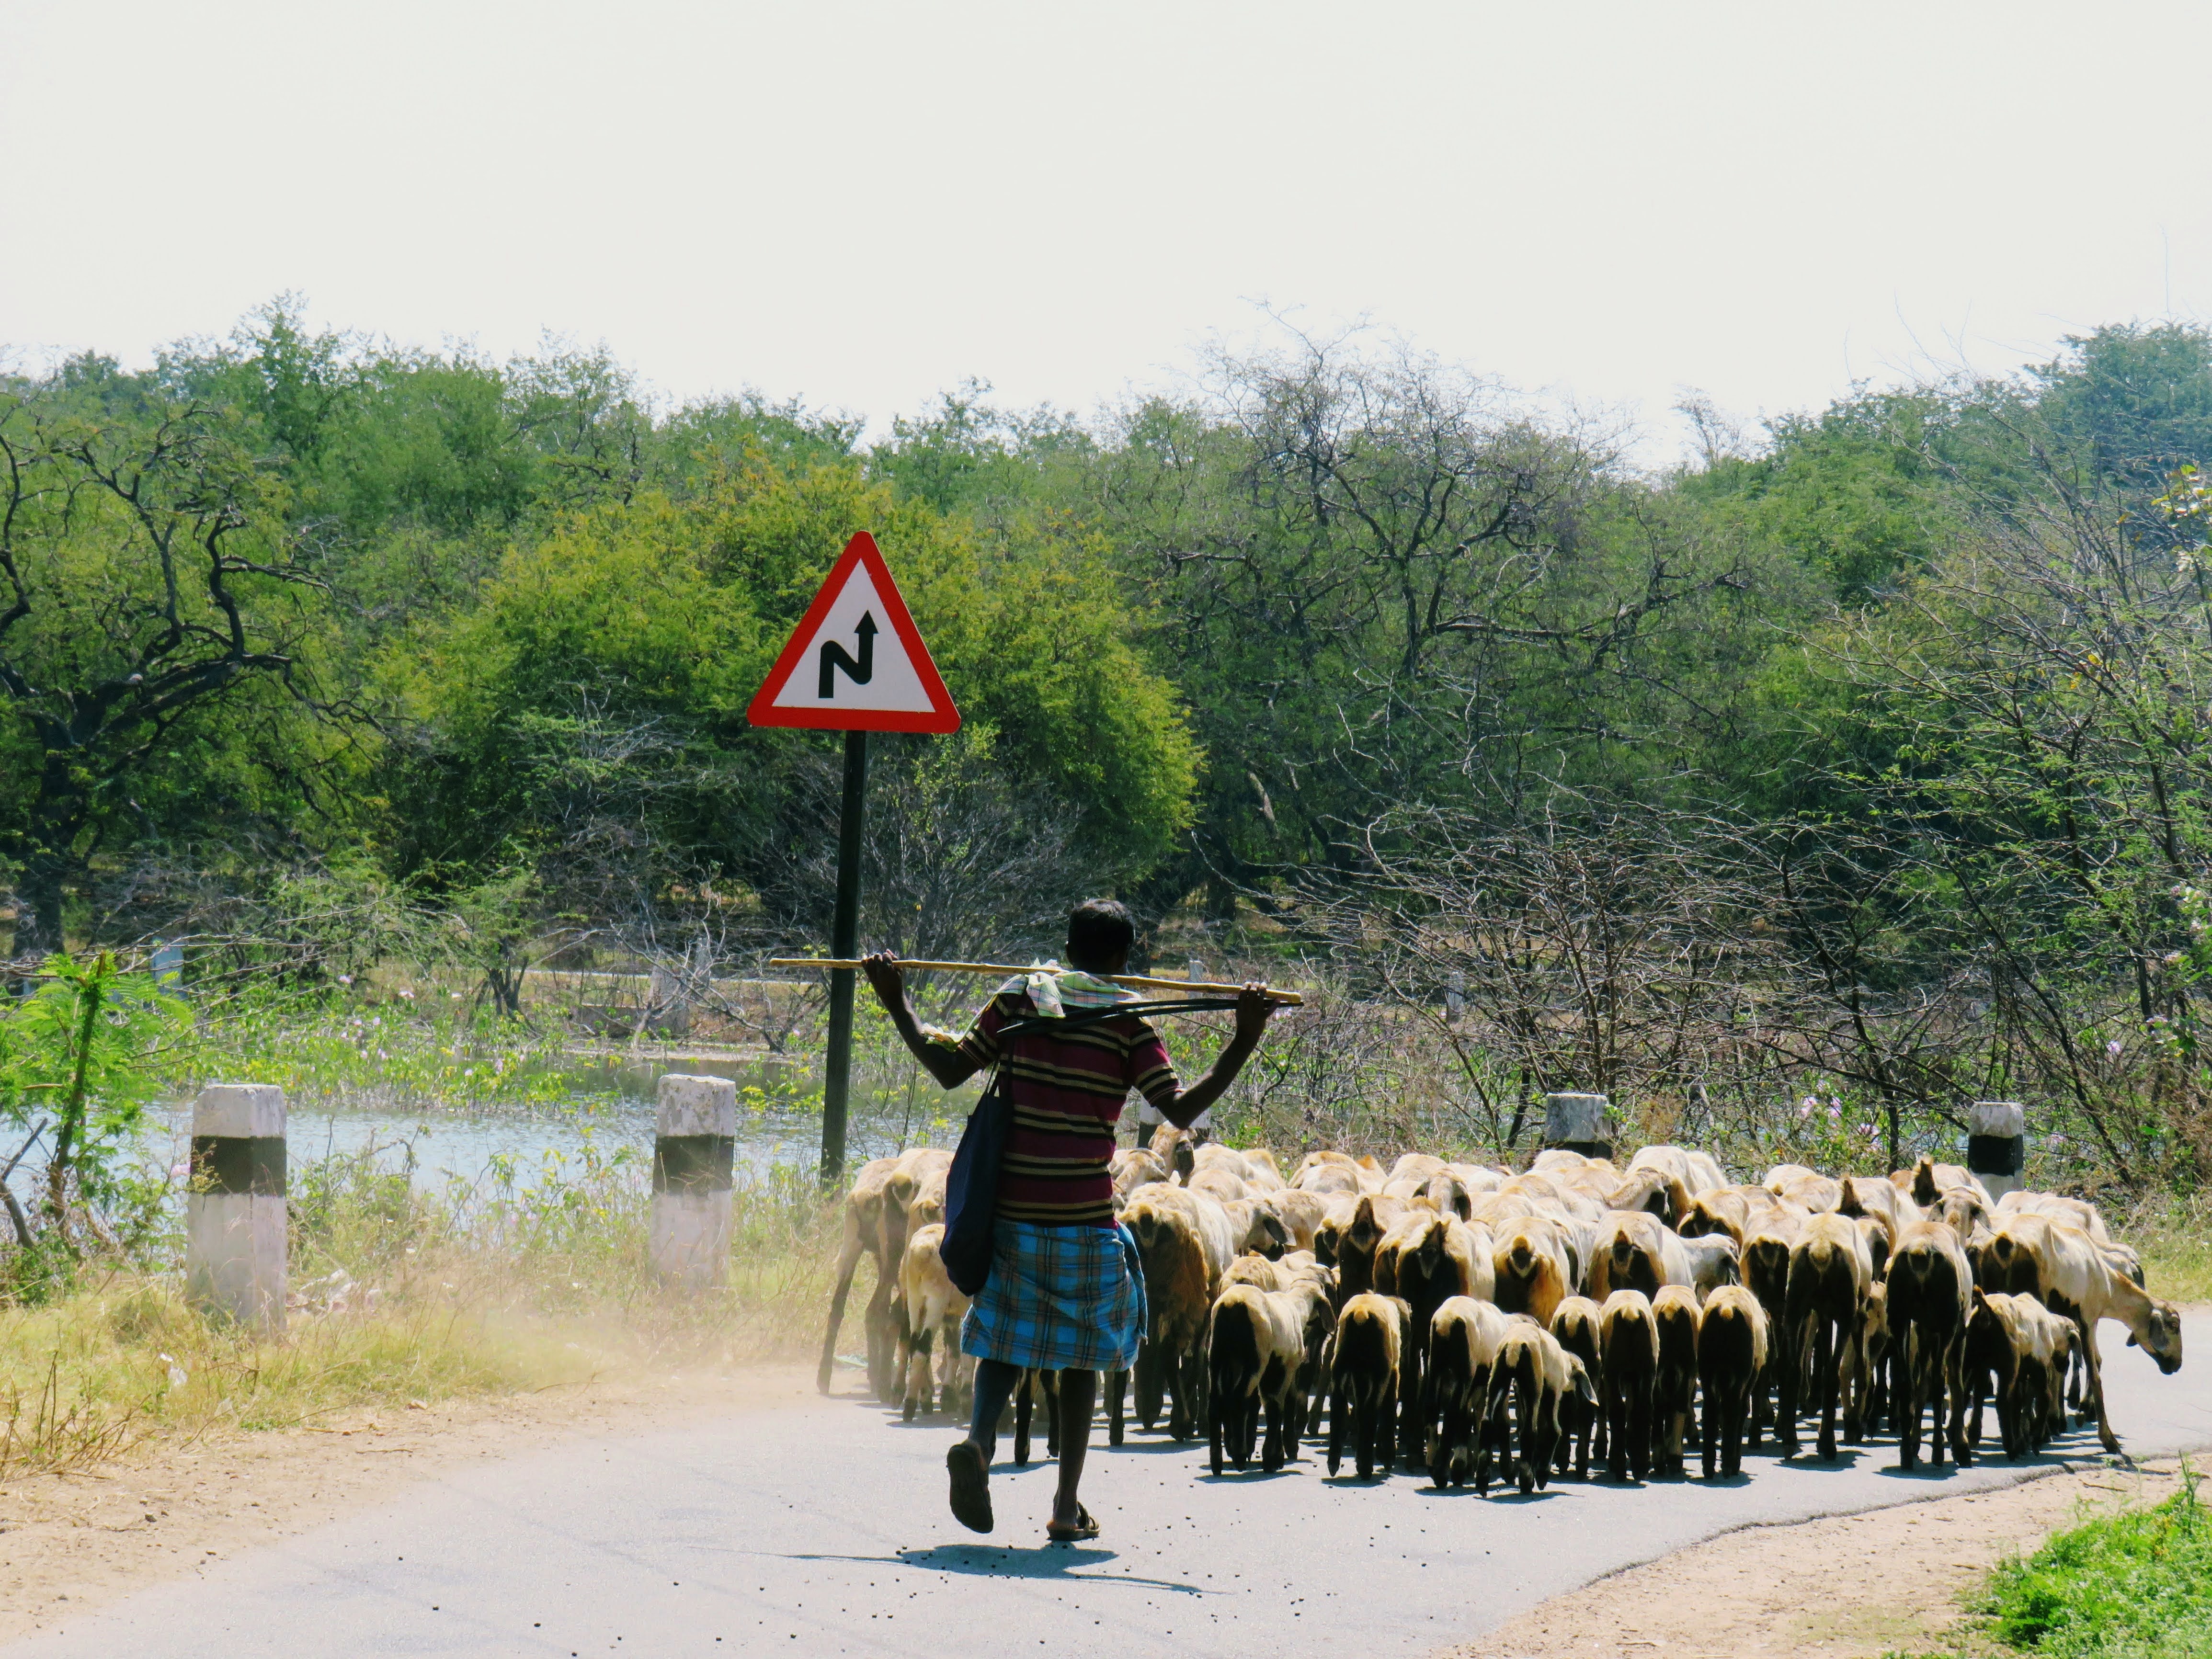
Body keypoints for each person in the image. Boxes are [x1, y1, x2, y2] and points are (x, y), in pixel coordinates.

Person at [861, 898, 1272, 1541]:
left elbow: (947, 1070)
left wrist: (895, 999)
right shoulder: (1127, 1021)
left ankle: (977, 1442)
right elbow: (1179, 1107)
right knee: (1080, 1359)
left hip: (1012, 1211)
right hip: (1083, 1213)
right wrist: (1246, 1035)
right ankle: (1062, 1506)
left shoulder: (1019, 999)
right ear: (1120, 956)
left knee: (1001, 1335)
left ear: (1070, 945)